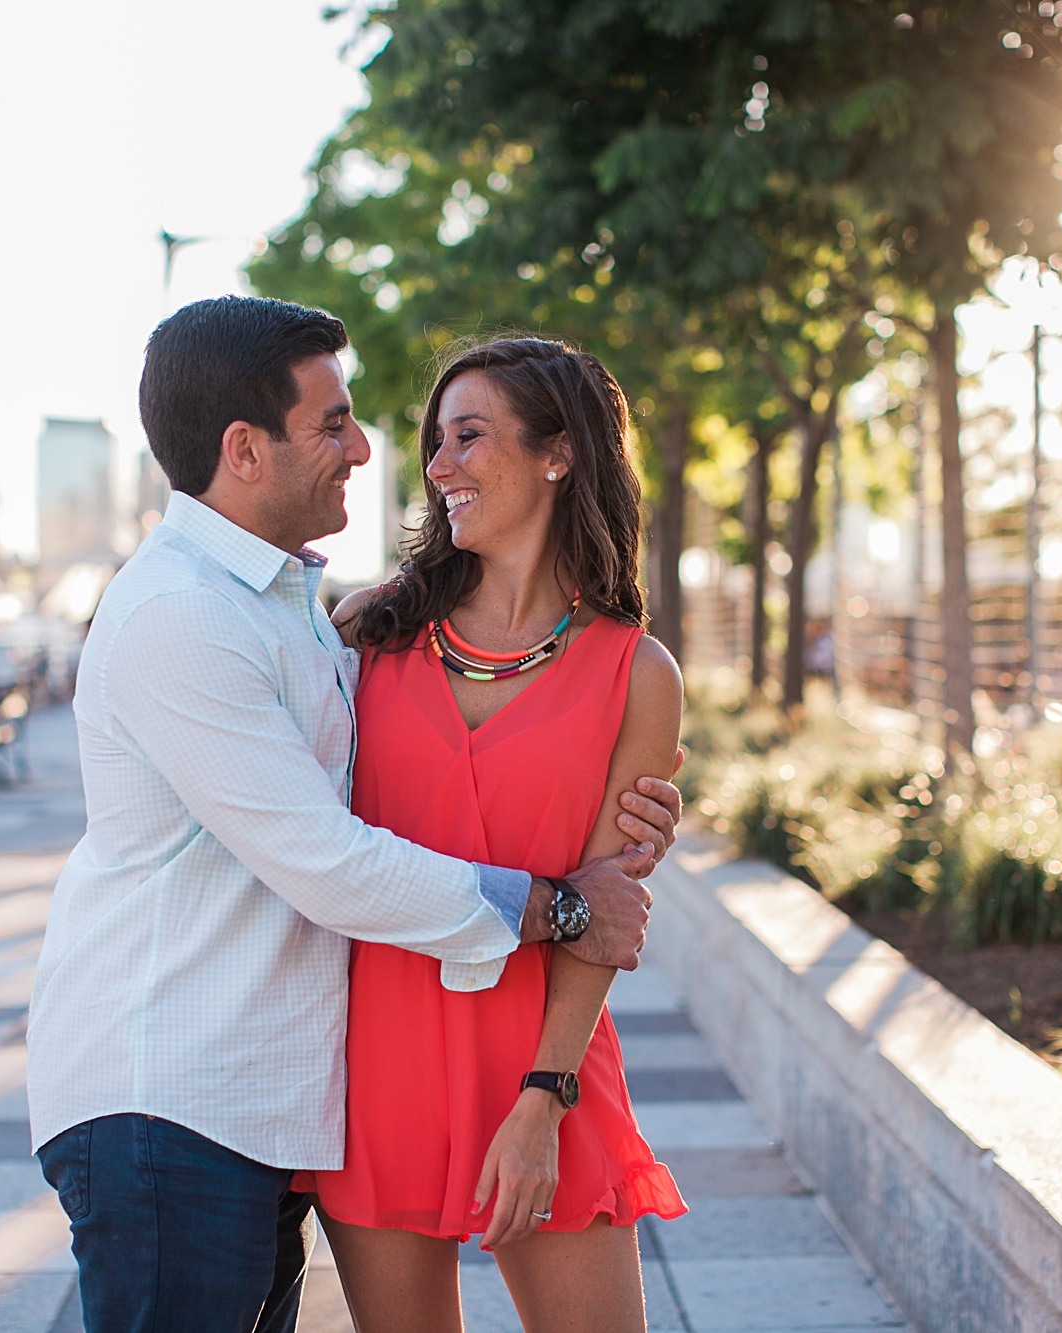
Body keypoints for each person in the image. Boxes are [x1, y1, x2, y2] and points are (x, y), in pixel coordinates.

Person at [25, 299, 683, 1333]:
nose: (390, 455)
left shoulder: (311, 611)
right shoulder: (250, 620)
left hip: (352, 1081)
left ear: (559, 455)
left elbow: (595, 871)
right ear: (245, 449)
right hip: (243, 1084)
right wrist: (563, 905)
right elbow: (329, 859)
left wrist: (549, 1077)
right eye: (334, 424)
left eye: (463, 436)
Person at [299, 338, 687, 1332]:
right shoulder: (369, 633)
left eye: (466, 436)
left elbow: (602, 913)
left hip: (543, 1063)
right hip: (373, 1063)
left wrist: (542, 1102)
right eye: (436, 442)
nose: (437, 467)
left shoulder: (635, 674)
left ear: (558, 452)